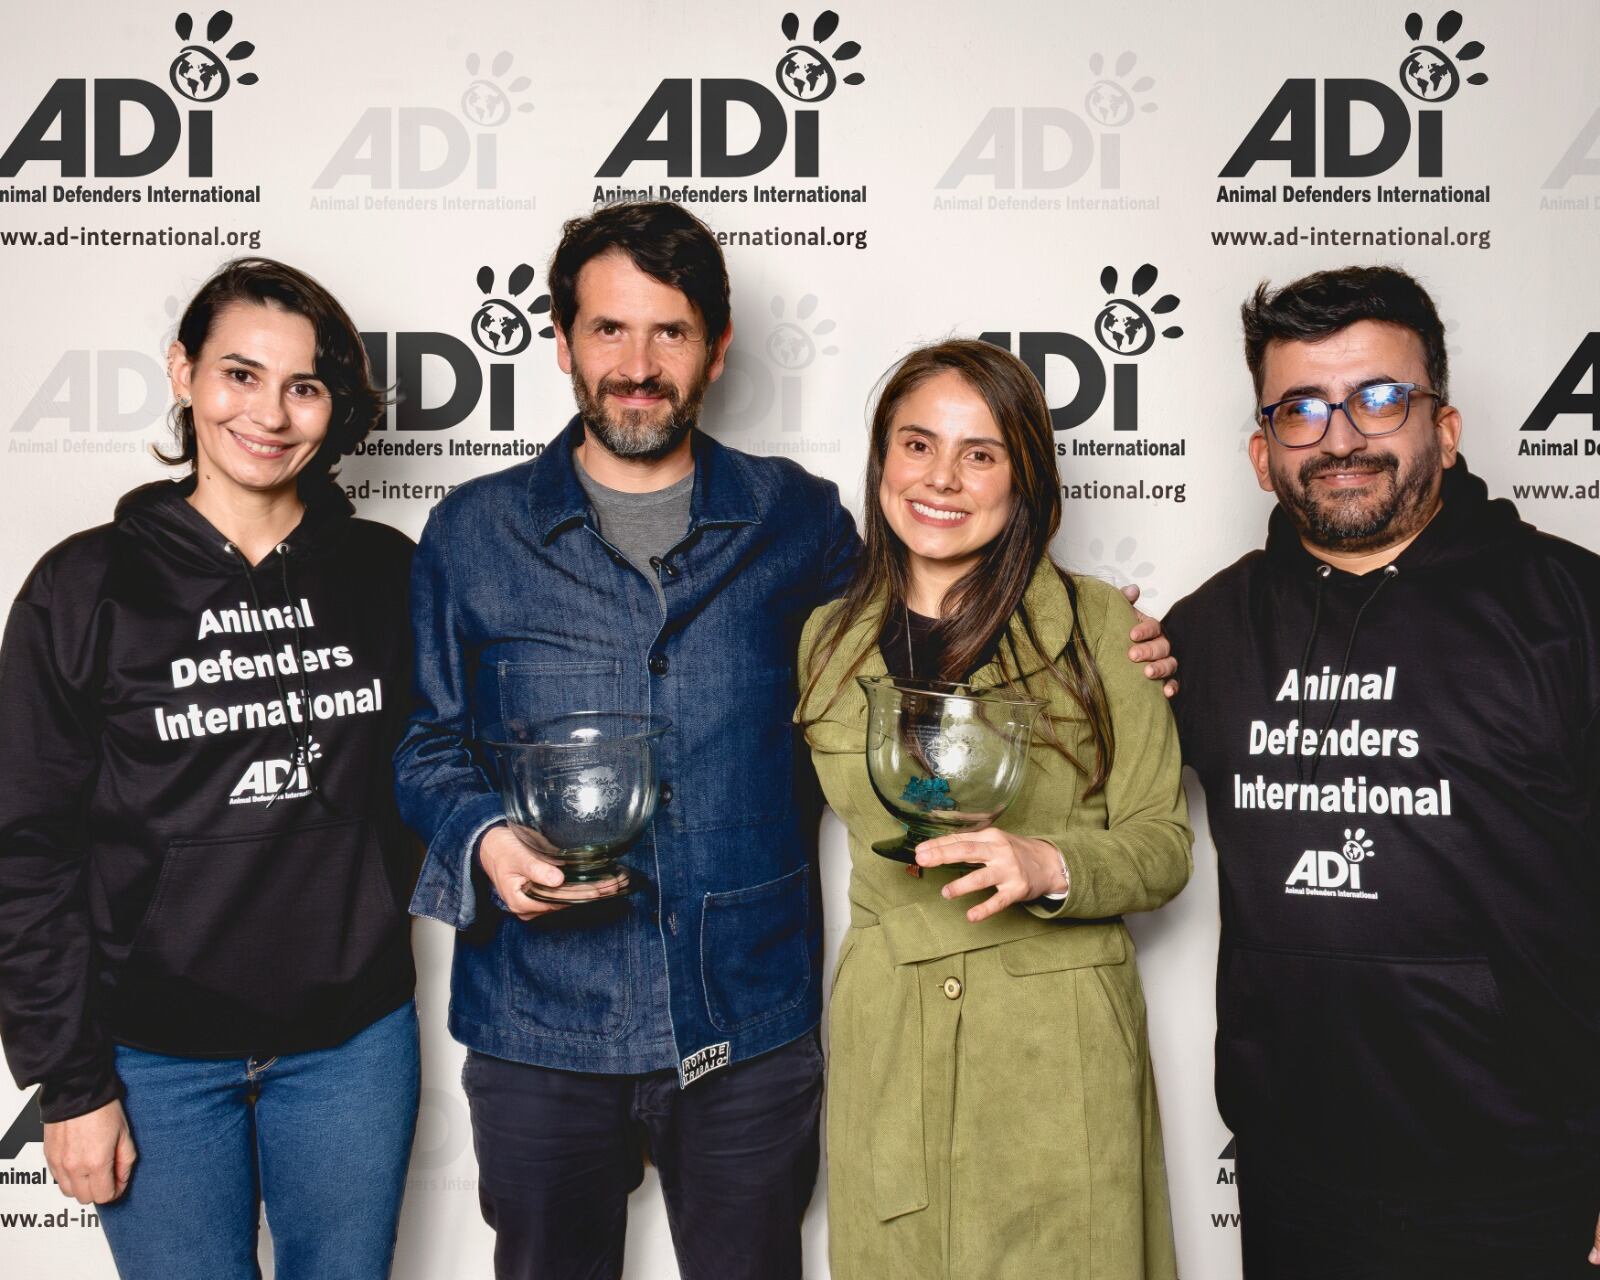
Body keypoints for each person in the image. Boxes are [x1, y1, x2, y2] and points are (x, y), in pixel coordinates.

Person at [393, 202, 1178, 1280]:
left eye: (668, 331)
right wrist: (483, 836)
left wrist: (1101, 632)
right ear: (562, 341)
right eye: (608, 329)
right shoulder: (472, 532)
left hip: (749, 1026)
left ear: (716, 348)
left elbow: (935, 625)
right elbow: (426, 742)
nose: (636, 363)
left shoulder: (796, 521)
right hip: (542, 1023)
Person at [1162, 265, 1600, 1279]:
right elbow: (1085, 801)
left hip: (1524, 1187)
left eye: (1378, 397)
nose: (1341, 435)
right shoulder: (1205, 633)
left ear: (1442, 426)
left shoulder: (1570, 610)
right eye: (1301, 408)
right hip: (1292, 1188)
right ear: (1261, 450)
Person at [0, 259, 420, 1280]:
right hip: (152, 1055)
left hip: (351, 1042)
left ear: (333, 407)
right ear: (184, 373)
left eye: (304, 386)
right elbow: (26, 847)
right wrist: (69, 1079)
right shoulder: (84, 584)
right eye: (241, 373)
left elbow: (430, 773)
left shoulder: (384, 574)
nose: (270, 413)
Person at [796, 338, 1192, 1279]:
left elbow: (1165, 844)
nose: (942, 478)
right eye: (916, 443)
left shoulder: (1105, 628)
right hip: (891, 1034)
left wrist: (1052, 865)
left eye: (981, 454)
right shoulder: (824, 638)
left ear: (1025, 478)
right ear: (882, 459)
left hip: (1056, 1044)